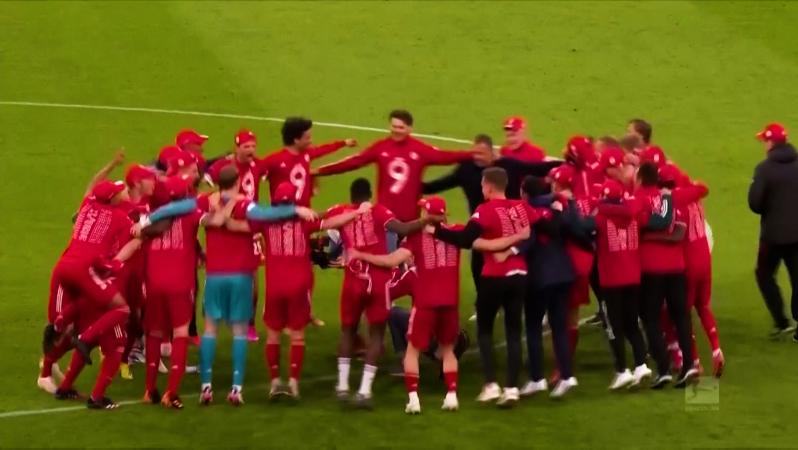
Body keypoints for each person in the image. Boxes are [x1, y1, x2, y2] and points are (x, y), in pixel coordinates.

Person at [141, 162, 316, 406]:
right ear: (237, 182)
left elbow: (180, 207)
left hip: (214, 276)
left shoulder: (204, 201)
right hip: (241, 277)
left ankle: (206, 387)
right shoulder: (246, 204)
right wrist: (296, 210)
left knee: (210, 330)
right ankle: (236, 389)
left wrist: (147, 218)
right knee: (240, 332)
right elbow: (266, 216)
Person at [223, 182, 366, 399]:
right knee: (297, 337)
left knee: (273, 337)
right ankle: (294, 383)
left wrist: (222, 211)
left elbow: (235, 226)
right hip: (299, 286)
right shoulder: (303, 220)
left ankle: (274, 382)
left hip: (275, 286)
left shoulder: (265, 222)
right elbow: (331, 222)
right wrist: (357, 212)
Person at [349, 197, 468, 414]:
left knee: (412, 351)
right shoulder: (457, 233)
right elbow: (473, 239)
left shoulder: (416, 237)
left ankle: (414, 399)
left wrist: (361, 255)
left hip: (425, 303)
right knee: (448, 350)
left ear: (427, 214)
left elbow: (390, 261)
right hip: (450, 302)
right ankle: (451, 396)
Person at [433, 167, 539, 408]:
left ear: (489, 187)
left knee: (485, 330)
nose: (482, 189)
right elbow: (537, 224)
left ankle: (491, 384)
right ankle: (512, 388)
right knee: (514, 331)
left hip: (494, 276)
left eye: (482, 186)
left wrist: (437, 231)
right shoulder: (521, 207)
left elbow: (464, 240)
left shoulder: (485, 210)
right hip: (520, 275)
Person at [328, 178, 430, 409]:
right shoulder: (379, 211)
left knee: (348, 331)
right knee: (376, 334)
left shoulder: (341, 211)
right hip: (378, 279)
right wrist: (425, 221)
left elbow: (322, 221)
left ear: (351, 195)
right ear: (369, 194)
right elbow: (402, 229)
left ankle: (342, 386)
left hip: (353, 279)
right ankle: (364, 391)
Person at [43, 180, 142, 409]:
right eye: (121, 191)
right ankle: (97, 397)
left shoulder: (88, 207)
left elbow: (88, 191)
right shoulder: (121, 218)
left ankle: (65, 385)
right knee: (116, 343)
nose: (125, 192)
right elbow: (138, 237)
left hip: (85, 278)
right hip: (104, 280)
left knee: (84, 329)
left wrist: (61, 318)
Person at [139, 176, 230, 409]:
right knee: (180, 333)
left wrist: (198, 251)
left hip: (154, 281)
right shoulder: (191, 214)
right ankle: (171, 392)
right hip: (179, 282)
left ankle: (149, 390)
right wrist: (226, 204)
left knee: (155, 333)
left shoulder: (153, 217)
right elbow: (215, 221)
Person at [314, 109, 473, 223]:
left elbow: (447, 156)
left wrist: (473, 154)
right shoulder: (381, 147)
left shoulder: (420, 149)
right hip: (385, 218)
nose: (396, 131)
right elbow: (353, 162)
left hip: (411, 219)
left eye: (401, 127)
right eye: (394, 126)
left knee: (408, 264)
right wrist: (320, 171)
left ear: (410, 129)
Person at [635, 162, 698, 388]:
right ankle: (689, 364)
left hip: (651, 268)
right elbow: (678, 233)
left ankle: (663, 369)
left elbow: (640, 226)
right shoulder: (670, 200)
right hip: (677, 268)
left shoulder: (638, 198)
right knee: (681, 316)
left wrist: (648, 238)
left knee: (650, 317)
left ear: (640, 178)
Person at [592, 179, 652, 390]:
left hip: (611, 281)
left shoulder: (599, 218)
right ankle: (641, 365)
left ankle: (621, 370)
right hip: (633, 277)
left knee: (614, 327)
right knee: (632, 324)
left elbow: (585, 231)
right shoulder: (633, 216)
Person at [748, 123, 798, 340]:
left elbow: (755, 203)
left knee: (764, 274)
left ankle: (781, 321)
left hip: (773, 237)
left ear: (770, 143)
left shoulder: (764, 169)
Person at [261, 117, 357, 207]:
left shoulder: (306, 154)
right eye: (307, 138)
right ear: (296, 140)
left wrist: (344, 143)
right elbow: (254, 174)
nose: (311, 141)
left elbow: (324, 149)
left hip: (305, 215)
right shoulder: (273, 161)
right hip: (280, 217)